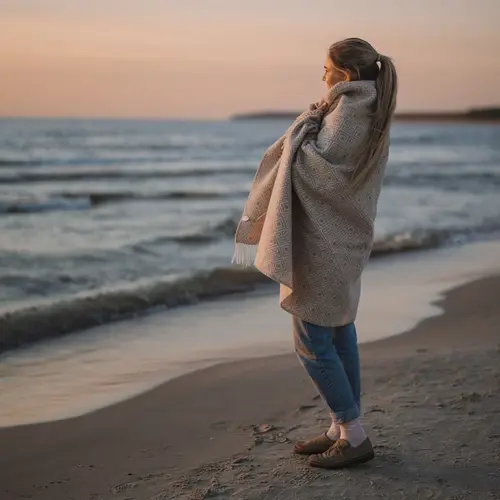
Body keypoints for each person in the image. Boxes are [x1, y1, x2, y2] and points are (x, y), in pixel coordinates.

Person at [232, 37, 398, 469]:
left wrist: (303, 127)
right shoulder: (369, 108)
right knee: (340, 332)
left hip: (326, 245)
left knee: (312, 341)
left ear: (344, 75)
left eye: (325, 68)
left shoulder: (347, 112)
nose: (321, 76)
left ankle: (353, 433)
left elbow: (318, 174)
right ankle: (340, 429)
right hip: (344, 239)